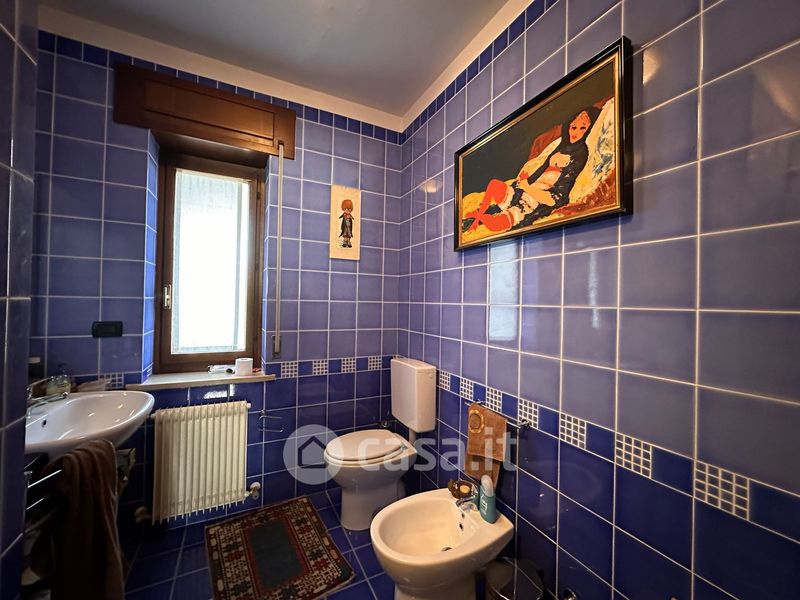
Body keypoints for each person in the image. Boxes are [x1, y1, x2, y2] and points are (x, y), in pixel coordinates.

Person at [462, 106, 601, 234]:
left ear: (589, 130)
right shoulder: (561, 148)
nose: (575, 132)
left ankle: (481, 218)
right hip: (526, 190)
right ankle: (477, 219)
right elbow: (540, 171)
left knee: (496, 223)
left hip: (537, 200)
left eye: (582, 128)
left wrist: (527, 187)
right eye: (573, 127)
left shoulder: (581, 155)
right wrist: (522, 183)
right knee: (494, 184)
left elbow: (556, 199)